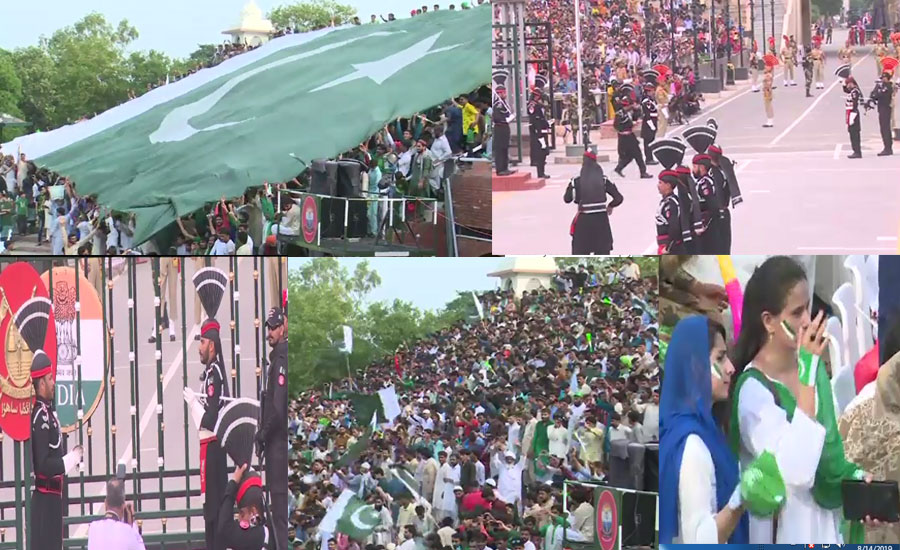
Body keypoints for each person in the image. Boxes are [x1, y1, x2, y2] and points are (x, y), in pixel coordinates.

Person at [729, 256, 882, 543]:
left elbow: (831, 450)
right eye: (797, 313)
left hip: (826, 525)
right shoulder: (754, 392)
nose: (808, 321)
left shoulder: (809, 367)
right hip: (786, 531)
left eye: (808, 308)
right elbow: (797, 471)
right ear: (769, 322)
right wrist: (807, 378)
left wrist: (855, 480)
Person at [659, 316, 748, 543]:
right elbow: (699, 539)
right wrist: (741, 499)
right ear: (695, 366)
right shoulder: (692, 444)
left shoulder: (708, 432)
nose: (730, 368)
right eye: (720, 358)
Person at [19, 297, 83, 550]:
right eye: (49, 378)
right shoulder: (40, 417)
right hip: (45, 502)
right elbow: (43, 464)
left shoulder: (47, 412)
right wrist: (69, 461)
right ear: (41, 383)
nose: (53, 382)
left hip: (53, 500)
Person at [184, 266, 230, 550]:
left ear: (211, 344)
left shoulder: (215, 375)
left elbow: (212, 419)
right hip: (208, 450)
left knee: (213, 515)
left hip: (213, 451)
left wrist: (195, 407)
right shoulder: (212, 371)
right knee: (208, 513)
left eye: (201, 341)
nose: (199, 347)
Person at [257, 307, 288, 550]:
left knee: (279, 514)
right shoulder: (276, 358)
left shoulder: (281, 360)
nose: (269, 332)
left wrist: (263, 433)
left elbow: (277, 409)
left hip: (278, 448)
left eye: (274, 327)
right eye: (268, 327)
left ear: (284, 327)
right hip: (275, 447)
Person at [564, 151, 623, 255]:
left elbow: (567, 199)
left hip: (583, 222)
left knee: (581, 253)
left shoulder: (576, 181)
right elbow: (618, 198)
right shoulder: (604, 180)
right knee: (603, 253)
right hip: (601, 222)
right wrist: (610, 206)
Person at [216, 463, 271, 549]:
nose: (238, 518)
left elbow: (223, 525)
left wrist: (233, 482)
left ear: (253, 511)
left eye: (241, 513)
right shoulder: (268, 532)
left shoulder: (233, 533)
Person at [87, 479, 146, 550]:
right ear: (123, 506)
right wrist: (132, 525)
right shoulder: (128, 530)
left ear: (105, 503)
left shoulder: (93, 528)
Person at [706, 144, 741, 253]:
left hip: (714, 214)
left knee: (720, 247)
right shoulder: (721, 170)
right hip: (719, 213)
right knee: (722, 247)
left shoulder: (710, 171)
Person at [612, 97, 652, 179]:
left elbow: (638, 115)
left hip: (630, 136)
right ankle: (643, 172)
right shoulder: (620, 114)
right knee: (637, 155)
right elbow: (617, 125)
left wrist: (636, 110)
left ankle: (619, 168)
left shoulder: (629, 112)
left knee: (631, 156)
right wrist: (631, 124)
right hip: (625, 137)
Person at [691, 153, 721, 253]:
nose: (693, 170)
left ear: (702, 167)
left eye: (695, 166)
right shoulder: (701, 181)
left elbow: (712, 205)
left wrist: (704, 225)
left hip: (708, 228)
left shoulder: (705, 183)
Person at [656, 170, 684, 254]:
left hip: (669, 246)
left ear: (668, 185)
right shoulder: (666, 201)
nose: (658, 185)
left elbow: (674, 227)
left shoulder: (671, 203)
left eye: (660, 183)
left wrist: (668, 247)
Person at [867, 70, 895, 156]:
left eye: (885, 78)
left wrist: (877, 93)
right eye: (882, 77)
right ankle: (886, 147)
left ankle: (888, 148)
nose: (883, 79)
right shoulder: (880, 85)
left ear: (888, 78)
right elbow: (873, 94)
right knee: (883, 128)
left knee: (886, 128)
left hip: (886, 108)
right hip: (881, 108)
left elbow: (881, 95)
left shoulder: (889, 87)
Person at [528, 94, 552, 179]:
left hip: (542, 131)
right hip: (538, 133)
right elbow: (536, 120)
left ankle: (542, 172)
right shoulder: (533, 106)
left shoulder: (539, 106)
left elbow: (542, 118)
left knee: (544, 152)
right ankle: (540, 172)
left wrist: (547, 124)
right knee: (540, 153)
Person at [492, 86, 514, 176]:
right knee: (500, 149)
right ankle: (500, 169)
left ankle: (505, 167)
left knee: (505, 148)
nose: (505, 94)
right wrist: (506, 119)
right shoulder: (498, 104)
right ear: (499, 93)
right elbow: (497, 117)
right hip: (500, 128)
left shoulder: (504, 103)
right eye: (503, 93)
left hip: (505, 128)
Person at [844, 74, 864, 158]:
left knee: (854, 133)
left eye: (849, 84)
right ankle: (855, 150)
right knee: (851, 132)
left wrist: (853, 114)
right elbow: (846, 90)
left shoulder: (855, 91)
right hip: (850, 112)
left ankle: (857, 151)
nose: (848, 85)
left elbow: (855, 103)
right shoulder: (851, 91)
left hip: (853, 113)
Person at [641, 83, 659, 166]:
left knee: (651, 141)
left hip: (653, 121)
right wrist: (652, 126)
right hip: (648, 123)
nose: (653, 92)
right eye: (652, 90)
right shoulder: (646, 101)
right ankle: (648, 159)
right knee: (648, 142)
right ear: (648, 92)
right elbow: (647, 115)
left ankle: (650, 157)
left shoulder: (651, 100)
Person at [762, 55, 777, 127]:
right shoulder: (767, 74)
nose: (765, 67)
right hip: (766, 91)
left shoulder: (768, 75)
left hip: (767, 91)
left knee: (768, 106)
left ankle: (770, 120)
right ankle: (769, 120)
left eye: (766, 66)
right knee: (767, 106)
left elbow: (768, 84)